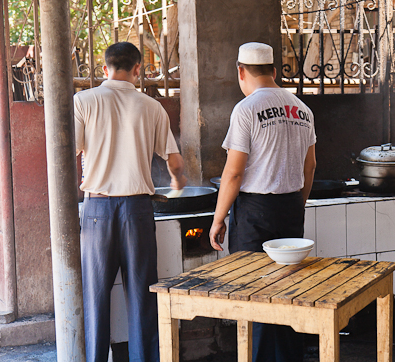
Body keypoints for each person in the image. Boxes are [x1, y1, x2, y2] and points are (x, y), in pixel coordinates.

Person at [74, 42, 187, 362]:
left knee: (95, 299)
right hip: (138, 211)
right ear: (138, 69)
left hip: (97, 210)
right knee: (141, 297)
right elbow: (175, 163)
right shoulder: (151, 107)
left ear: (105, 66)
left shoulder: (83, 100)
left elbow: (69, 150)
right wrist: (178, 182)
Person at [209, 42, 316, 362]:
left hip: (256, 214)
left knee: (255, 295)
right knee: (287, 292)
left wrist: (218, 219)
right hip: (291, 208)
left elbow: (233, 174)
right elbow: (310, 166)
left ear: (241, 72)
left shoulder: (246, 109)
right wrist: (299, 202)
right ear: (273, 70)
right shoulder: (302, 109)